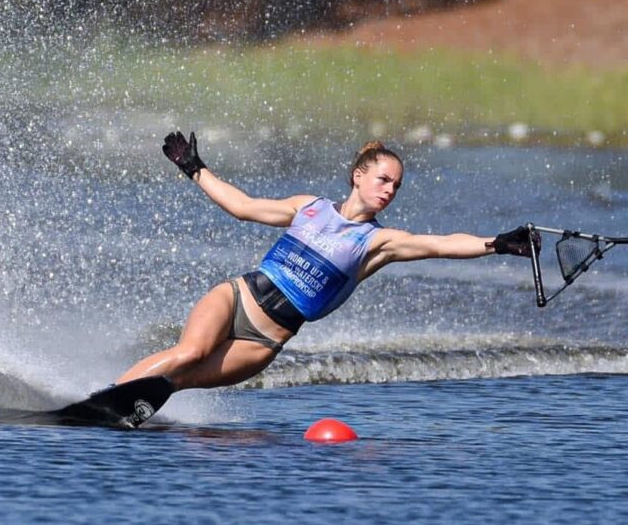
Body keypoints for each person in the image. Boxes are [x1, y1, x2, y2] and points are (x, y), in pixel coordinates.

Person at [114, 130, 539, 392]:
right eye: (383, 179)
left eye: (397, 186)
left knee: (180, 381)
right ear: (358, 175)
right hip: (238, 299)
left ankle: (124, 410)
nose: (390, 190)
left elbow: (442, 244)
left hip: (264, 341)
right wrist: (194, 167)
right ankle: (104, 396)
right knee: (190, 352)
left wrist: (497, 243)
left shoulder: (381, 242)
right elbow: (243, 206)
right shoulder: (308, 207)